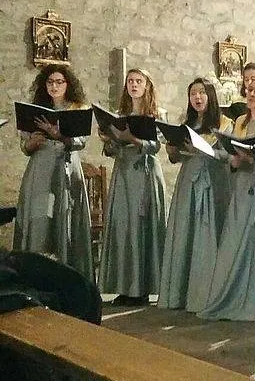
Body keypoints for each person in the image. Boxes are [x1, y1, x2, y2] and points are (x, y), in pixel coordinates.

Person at [198, 76, 255, 321]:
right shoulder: (241, 121)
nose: (252, 95)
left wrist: (253, 159)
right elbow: (228, 152)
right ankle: (233, 295)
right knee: (235, 241)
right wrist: (233, 159)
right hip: (242, 184)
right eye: (249, 90)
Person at [158, 78, 233, 312]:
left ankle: (204, 295)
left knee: (207, 234)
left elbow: (226, 156)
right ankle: (180, 293)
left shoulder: (225, 123)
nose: (197, 98)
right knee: (185, 234)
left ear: (210, 96)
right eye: (193, 94)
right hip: (188, 180)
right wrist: (173, 150)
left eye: (201, 93)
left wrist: (203, 151)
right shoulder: (186, 123)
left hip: (213, 182)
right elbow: (177, 157)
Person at [14, 65, 93, 280]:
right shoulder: (35, 109)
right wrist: (32, 142)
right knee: (40, 219)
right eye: (50, 82)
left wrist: (58, 135)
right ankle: (35, 277)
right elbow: (25, 147)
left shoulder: (78, 108)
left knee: (66, 218)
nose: (54, 86)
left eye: (59, 82)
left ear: (68, 85)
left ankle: (70, 278)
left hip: (66, 169)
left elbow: (81, 142)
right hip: (40, 169)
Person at [99, 68, 167, 306]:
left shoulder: (158, 115)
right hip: (124, 172)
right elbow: (112, 151)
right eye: (130, 81)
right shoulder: (120, 115)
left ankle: (143, 288)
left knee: (142, 225)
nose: (134, 85)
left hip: (145, 172)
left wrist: (132, 139)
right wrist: (110, 140)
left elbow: (156, 146)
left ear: (147, 85)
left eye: (139, 81)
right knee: (123, 226)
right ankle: (125, 286)